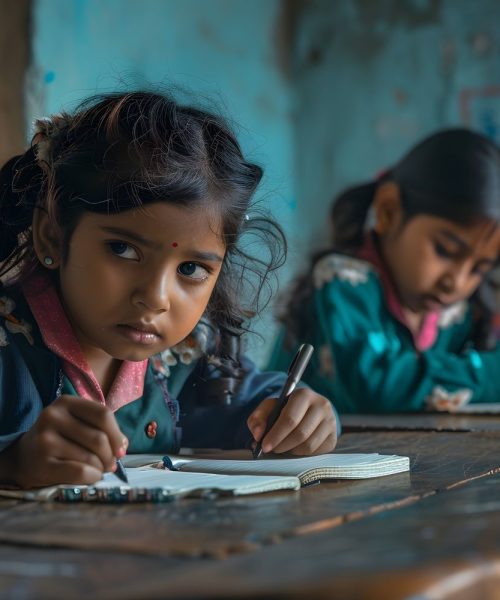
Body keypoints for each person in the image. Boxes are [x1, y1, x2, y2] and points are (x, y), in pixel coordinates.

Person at [0, 91, 337, 489]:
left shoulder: (186, 357)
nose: (156, 298)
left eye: (191, 269)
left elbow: (249, 401)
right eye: (123, 249)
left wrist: (297, 414)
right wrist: (12, 464)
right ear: (52, 237)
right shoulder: (9, 348)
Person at [268, 128, 500, 414]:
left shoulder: (457, 313)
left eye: (479, 268)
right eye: (445, 251)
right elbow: (378, 386)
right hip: (296, 457)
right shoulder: (343, 283)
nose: (457, 282)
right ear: (389, 211)